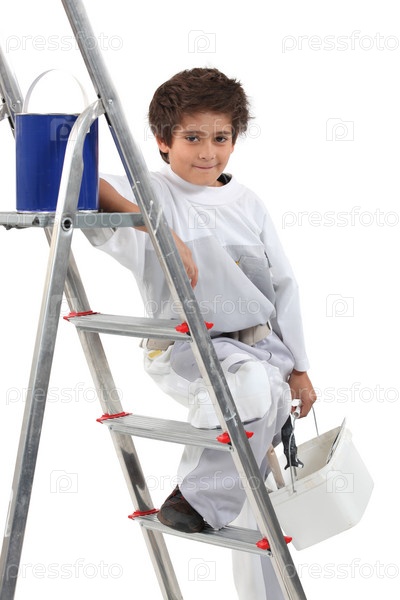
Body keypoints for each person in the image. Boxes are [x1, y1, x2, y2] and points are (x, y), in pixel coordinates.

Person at [88, 67, 317, 599]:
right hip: (188, 347)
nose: (208, 152)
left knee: (260, 491)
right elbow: (78, 179)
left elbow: (284, 286)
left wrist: (302, 368)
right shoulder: (151, 192)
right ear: (163, 140)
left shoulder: (249, 202)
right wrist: (154, 226)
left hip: (262, 348)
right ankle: (194, 499)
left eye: (221, 138)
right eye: (192, 137)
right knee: (254, 392)